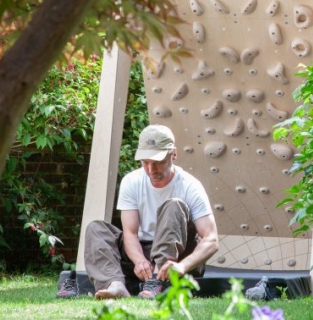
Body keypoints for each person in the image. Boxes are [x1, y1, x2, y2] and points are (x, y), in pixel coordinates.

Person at [83, 124, 218, 299]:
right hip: (142, 252)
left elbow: (212, 239)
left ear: (174, 154)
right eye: (145, 162)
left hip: (178, 259)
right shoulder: (131, 181)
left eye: (158, 162)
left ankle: (156, 282)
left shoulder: (190, 186)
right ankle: (115, 285)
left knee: (174, 205)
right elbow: (130, 233)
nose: (150, 170)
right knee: (96, 229)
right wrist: (139, 261)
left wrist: (183, 266)